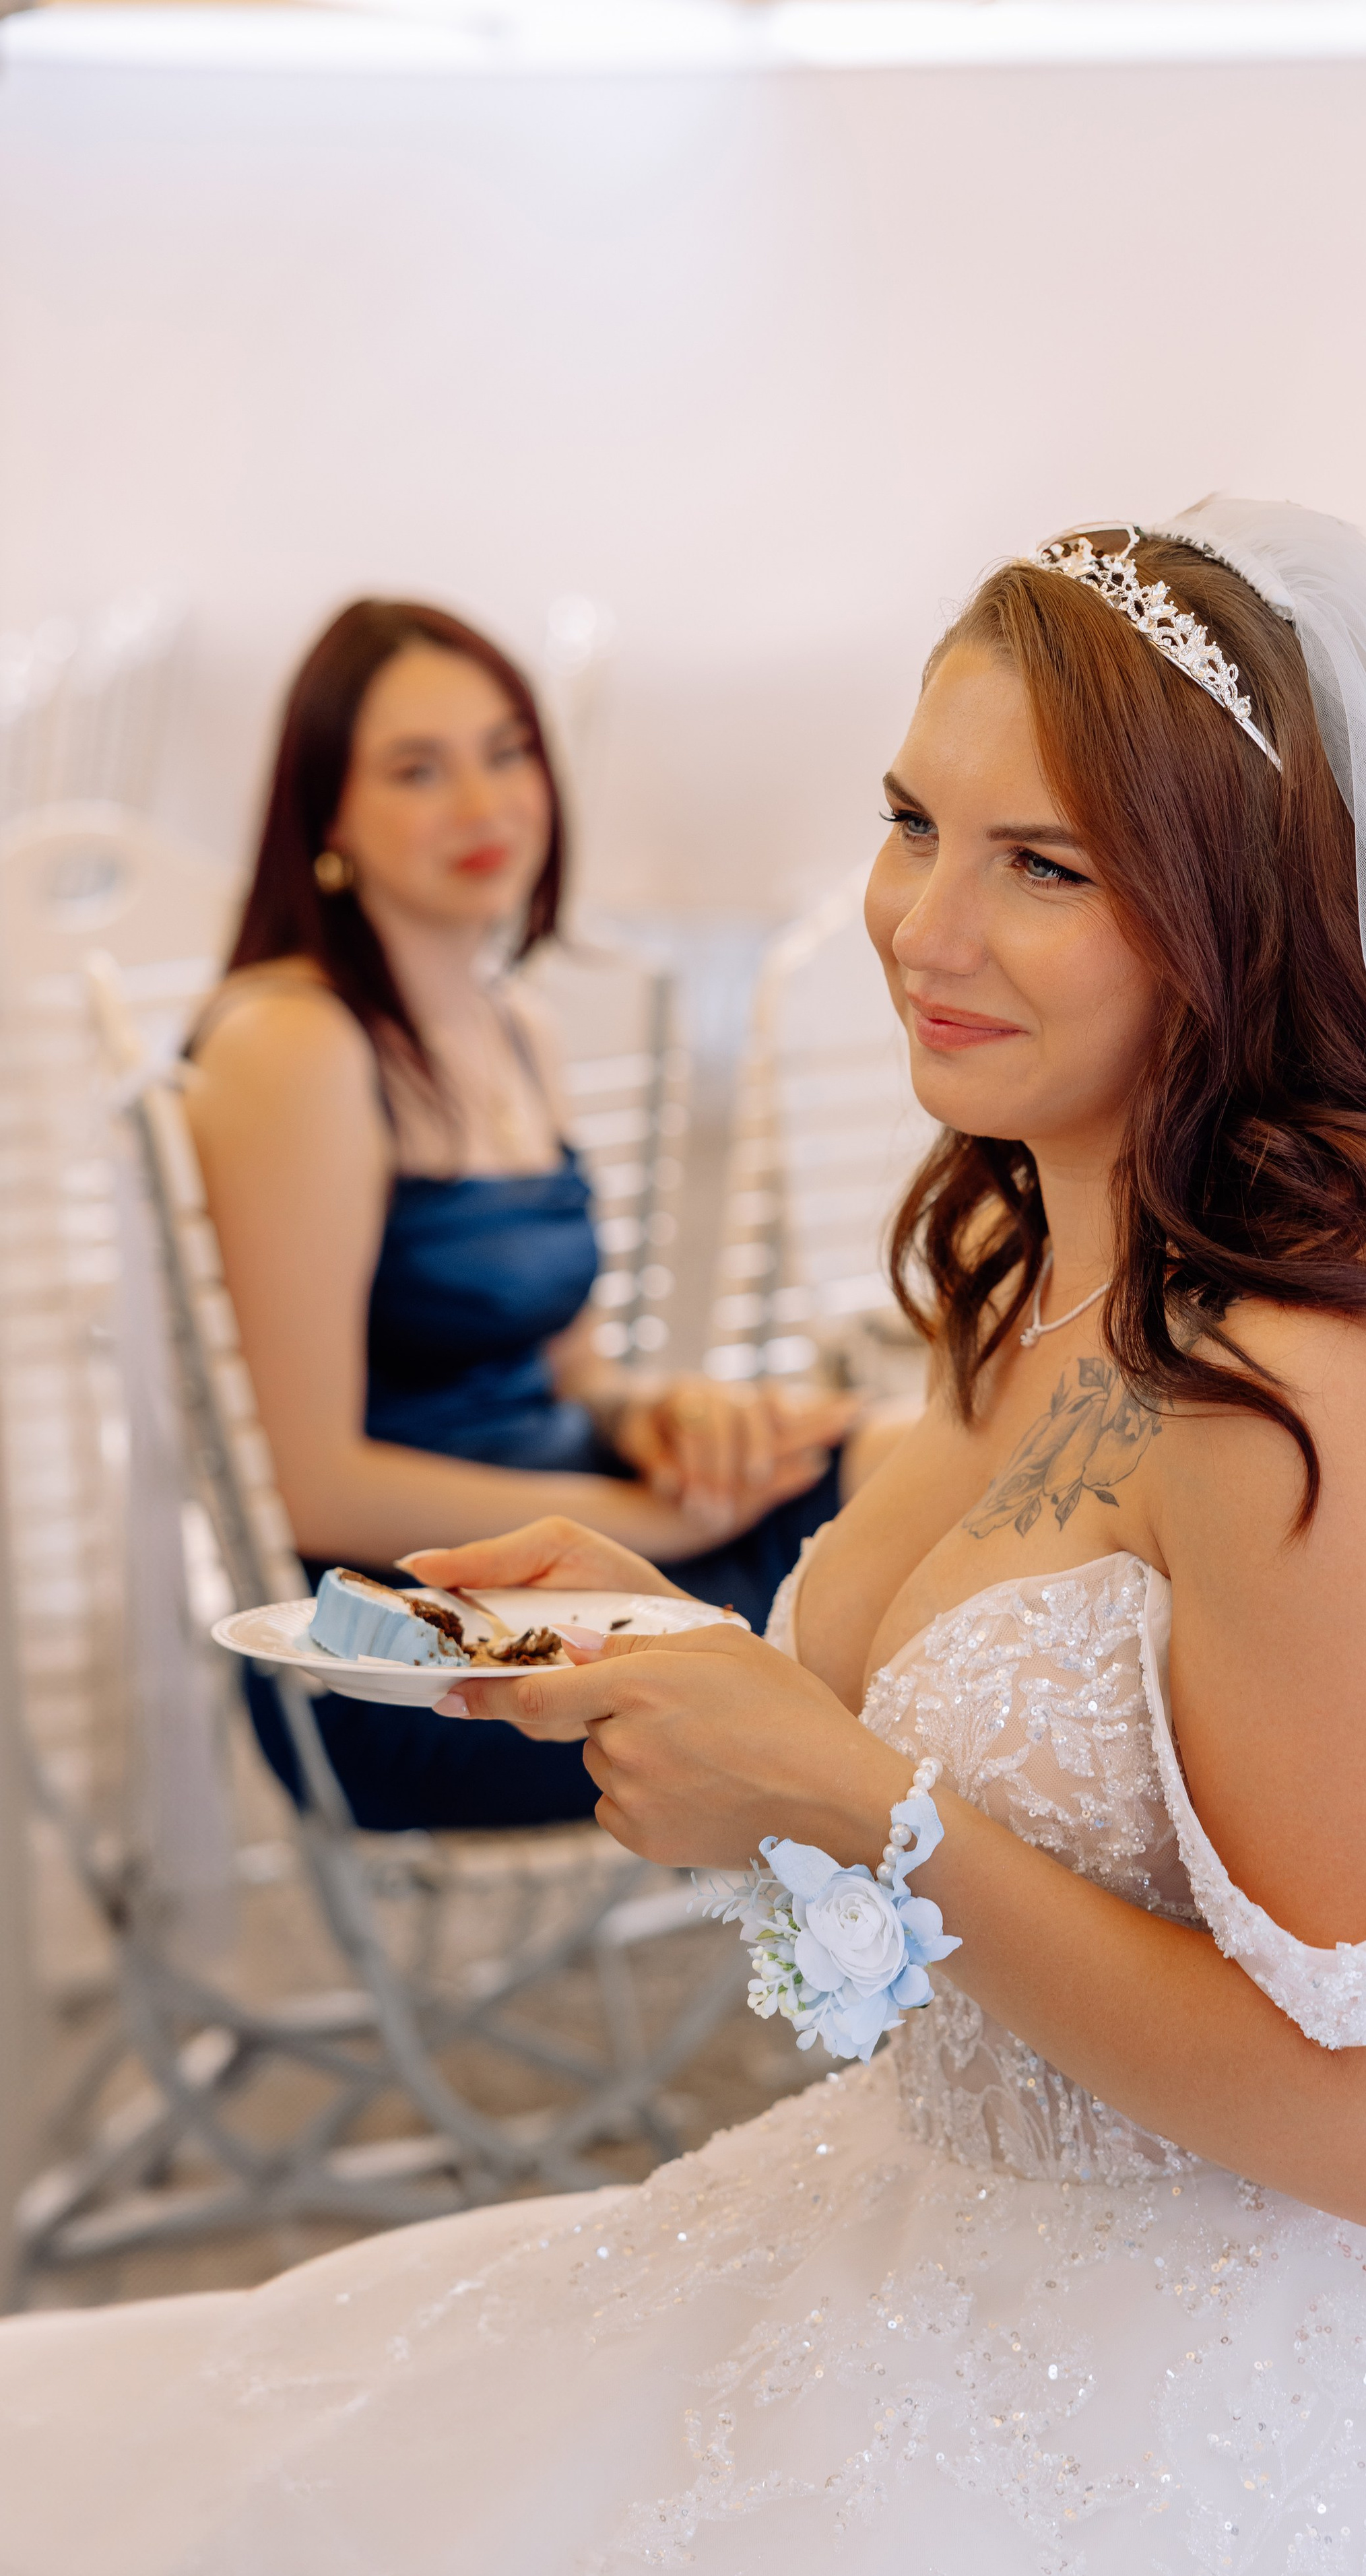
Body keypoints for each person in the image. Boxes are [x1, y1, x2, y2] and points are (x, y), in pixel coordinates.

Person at [3, 501, 1366, 2576]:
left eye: (1047, 864)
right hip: (898, 2226)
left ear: (1237, 909)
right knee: (158, 2488)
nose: (921, 919)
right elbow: (947, 1741)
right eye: (915, 822)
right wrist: (676, 1645)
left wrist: (845, 1796)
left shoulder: (1332, 1378)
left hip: (1205, 2394)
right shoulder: (1037, 1268)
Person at [184, 597, 863, 1828]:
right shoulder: (294, 1043)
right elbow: (309, 1488)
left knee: (888, 1454)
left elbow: (572, 1376)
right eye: (417, 770)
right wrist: (653, 1524)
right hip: (416, 1652)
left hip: (570, 1570)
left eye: (507, 753)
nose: (486, 807)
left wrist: (672, 1416)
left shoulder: (516, 1031)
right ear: (327, 811)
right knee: (901, 1592)